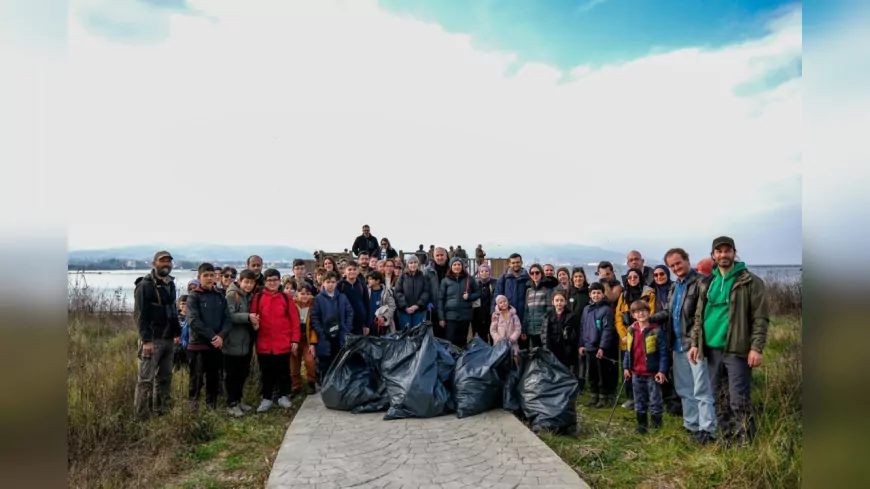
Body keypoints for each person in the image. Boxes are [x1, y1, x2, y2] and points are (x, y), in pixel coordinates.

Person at [690, 236, 769, 448]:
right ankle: (726, 440)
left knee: (739, 400)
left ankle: (746, 445)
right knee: (719, 397)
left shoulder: (750, 281)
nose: (723, 255)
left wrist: (756, 348)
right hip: (712, 349)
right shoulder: (707, 282)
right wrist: (695, 343)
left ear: (734, 252)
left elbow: (760, 318)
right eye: (719, 251)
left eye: (727, 251)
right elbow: (700, 316)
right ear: (713, 255)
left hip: (737, 349)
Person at [650, 248, 716, 444]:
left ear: (687, 260)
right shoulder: (674, 287)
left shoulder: (701, 282)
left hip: (695, 346)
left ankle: (708, 430)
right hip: (677, 346)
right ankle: (692, 425)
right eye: (672, 266)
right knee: (684, 389)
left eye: (678, 263)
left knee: (702, 389)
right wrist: (647, 319)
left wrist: (696, 343)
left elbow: (701, 317)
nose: (676, 268)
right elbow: (668, 313)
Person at [133, 250, 181, 419]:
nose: (166, 264)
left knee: (165, 378)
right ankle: (141, 418)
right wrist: (146, 340)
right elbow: (140, 315)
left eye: (168, 261)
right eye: (162, 261)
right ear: (154, 264)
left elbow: (172, 310)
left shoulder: (170, 284)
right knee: (145, 380)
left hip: (168, 339)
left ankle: (161, 413)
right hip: (152, 340)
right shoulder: (144, 285)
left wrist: (177, 333)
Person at [250, 268, 301, 412]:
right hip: (264, 343)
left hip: (283, 342)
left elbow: (294, 321)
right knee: (266, 372)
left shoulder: (286, 298)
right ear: (265, 282)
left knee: (283, 371)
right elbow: (253, 317)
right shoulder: (258, 297)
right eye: (269, 280)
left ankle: (283, 395)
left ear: (280, 282)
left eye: (275, 280)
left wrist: (295, 340)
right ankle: (266, 398)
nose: (272, 283)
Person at [186, 263, 232, 409]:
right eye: (205, 275)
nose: (209, 278)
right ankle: (193, 407)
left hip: (217, 345)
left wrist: (221, 336)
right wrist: (213, 337)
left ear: (215, 277)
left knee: (213, 378)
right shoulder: (194, 296)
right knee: (196, 379)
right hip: (198, 344)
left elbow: (227, 319)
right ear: (199, 277)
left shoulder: (220, 296)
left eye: (212, 275)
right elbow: (193, 320)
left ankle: (211, 407)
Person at [623, 299, 669, 434]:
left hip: (652, 373)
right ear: (633, 315)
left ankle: (656, 427)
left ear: (649, 312)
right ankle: (641, 426)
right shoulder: (631, 330)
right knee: (639, 400)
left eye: (643, 311)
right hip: (636, 373)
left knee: (655, 401)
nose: (641, 314)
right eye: (637, 312)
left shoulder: (656, 331)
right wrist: (626, 367)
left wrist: (662, 371)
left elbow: (663, 353)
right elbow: (628, 351)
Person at [614, 267, 656, 409]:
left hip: (644, 338)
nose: (632, 279)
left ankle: (648, 400)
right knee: (627, 368)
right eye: (630, 277)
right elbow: (618, 317)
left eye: (635, 277)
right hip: (626, 340)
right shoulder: (623, 295)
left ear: (640, 278)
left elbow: (651, 314)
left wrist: (638, 332)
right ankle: (631, 398)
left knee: (645, 368)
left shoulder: (649, 294)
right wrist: (624, 335)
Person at [223, 269, 257, 417]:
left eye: (251, 282)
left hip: (245, 342)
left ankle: (238, 400)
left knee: (243, 373)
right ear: (240, 281)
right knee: (232, 375)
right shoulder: (233, 295)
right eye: (246, 282)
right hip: (232, 341)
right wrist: (248, 317)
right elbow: (229, 316)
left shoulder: (249, 296)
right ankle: (231, 404)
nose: (249, 285)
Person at [579, 282, 617, 409]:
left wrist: (602, 347)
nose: (596, 295)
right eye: (593, 293)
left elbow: (607, 329)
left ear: (603, 294)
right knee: (592, 374)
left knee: (602, 374)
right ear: (590, 295)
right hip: (588, 347)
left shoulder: (606, 310)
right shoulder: (586, 309)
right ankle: (594, 396)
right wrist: (581, 344)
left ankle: (603, 397)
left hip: (600, 349)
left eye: (598, 293)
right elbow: (583, 327)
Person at [311, 271, 354, 378]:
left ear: (336, 283)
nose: (330, 284)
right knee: (325, 362)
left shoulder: (342, 297)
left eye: (333, 282)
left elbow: (350, 312)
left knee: (340, 360)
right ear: (323, 283)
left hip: (340, 334)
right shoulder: (318, 299)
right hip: (325, 336)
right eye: (328, 282)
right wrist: (321, 332)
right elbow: (314, 317)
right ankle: (325, 382)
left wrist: (347, 328)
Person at [437, 257, 480, 348]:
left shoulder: (470, 279)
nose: (457, 267)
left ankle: (462, 361)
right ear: (451, 266)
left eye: (459, 264)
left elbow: (478, 292)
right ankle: (451, 361)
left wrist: (469, 296)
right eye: (454, 265)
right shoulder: (445, 280)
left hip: (465, 315)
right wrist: (441, 317)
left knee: (462, 341)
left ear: (462, 266)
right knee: (450, 340)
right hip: (450, 316)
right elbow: (440, 299)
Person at [542, 291, 581, 371]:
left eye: (561, 300)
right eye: (557, 300)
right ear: (553, 302)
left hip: (566, 349)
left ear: (565, 302)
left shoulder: (571, 316)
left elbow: (576, 333)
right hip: (552, 348)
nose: (559, 303)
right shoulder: (548, 316)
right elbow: (544, 332)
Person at [292, 283, 319, 396]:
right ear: (297, 294)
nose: (304, 296)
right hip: (294, 338)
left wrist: (313, 343)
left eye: (307, 294)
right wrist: (292, 340)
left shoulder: (313, 305)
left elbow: (314, 325)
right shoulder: (292, 304)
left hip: (307, 337)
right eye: (302, 293)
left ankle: (311, 382)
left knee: (310, 360)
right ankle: (295, 385)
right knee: (293, 363)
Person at [394, 256, 430, 329]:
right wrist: (405, 307)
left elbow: (426, 292)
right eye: (411, 263)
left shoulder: (423, 276)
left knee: (417, 333)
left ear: (418, 264)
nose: (413, 265)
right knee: (405, 333)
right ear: (407, 264)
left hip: (419, 310)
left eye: (415, 262)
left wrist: (417, 305)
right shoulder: (402, 276)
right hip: (404, 311)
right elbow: (398, 292)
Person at [494, 253, 531, 325]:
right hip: (506, 317)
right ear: (509, 264)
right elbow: (497, 297)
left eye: (518, 262)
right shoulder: (504, 278)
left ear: (521, 263)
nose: (516, 264)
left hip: (523, 316)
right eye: (513, 263)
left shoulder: (528, 279)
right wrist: (494, 313)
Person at [336, 261, 369, 336]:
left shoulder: (362, 285)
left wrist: (367, 325)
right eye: (349, 269)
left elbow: (367, 304)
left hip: (359, 323)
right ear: (345, 271)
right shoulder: (340, 285)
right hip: (344, 322)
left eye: (354, 269)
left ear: (358, 271)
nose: (352, 271)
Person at [424, 247, 451, 339]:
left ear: (446, 256)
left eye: (442, 255)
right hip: (433, 307)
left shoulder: (452, 269)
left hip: (449, 306)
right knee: (435, 335)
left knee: (448, 335)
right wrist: (427, 301)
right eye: (437, 255)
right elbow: (424, 288)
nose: (440, 257)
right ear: (434, 257)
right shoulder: (428, 271)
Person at [521, 264, 549, 350]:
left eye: (537, 272)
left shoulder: (546, 289)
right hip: (531, 330)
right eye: (532, 273)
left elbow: (549, 310)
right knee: (534, 354)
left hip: (543, 330)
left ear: (541, 274)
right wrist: (524, 329)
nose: (535, 275)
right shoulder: (529, 291)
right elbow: (526, 311)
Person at [490, 295, 522, 360]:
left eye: (504, 301)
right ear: (498, 305)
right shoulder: (496, 316)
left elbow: (518, 329)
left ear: (507, 302)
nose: (503, 303)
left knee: (514, 358)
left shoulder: (514, 316)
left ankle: (516, 368)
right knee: (500, 360)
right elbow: (493, 330)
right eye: (500, 302)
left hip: (512, 344)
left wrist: (512, 338)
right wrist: (498, 338)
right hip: (499, 345)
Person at [367, 271, 397, 335]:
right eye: (368, 279)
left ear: (377, 281)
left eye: (370, 279)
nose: (368, 281)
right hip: (368, 325)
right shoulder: (365, 291)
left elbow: (392, 306)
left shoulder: (386, 292)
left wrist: (384, 317)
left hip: (381, 325)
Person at [471, 263, 496, 342]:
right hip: (479, 315)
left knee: (493, 336)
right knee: (482, 337)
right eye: (481, 271)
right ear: (479, 273)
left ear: (489, 272)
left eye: (486, 271)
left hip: (491, 314)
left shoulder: (494, 283)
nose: (484, 273)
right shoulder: (475, 285)